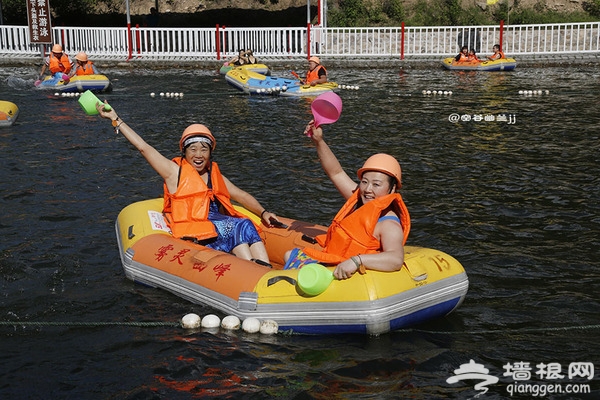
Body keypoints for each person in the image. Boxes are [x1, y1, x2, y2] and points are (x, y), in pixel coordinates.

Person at [94, 103, 280, 266]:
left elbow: (242, 195)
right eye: (193, 149)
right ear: (184, 151)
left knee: (244, 223)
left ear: (210, 153)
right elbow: (144, 147)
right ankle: (250, 267)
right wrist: (116, 119)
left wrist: (263, 213)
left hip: (219, 227)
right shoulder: (174, 172)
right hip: (198, 231)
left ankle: (262, 268)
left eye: (204, 149)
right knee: (235, 226)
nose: (198, 155)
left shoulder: (214, 175)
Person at [284, 122, 411, 280]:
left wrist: (356, 261)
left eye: (376, 184)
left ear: (392, 189)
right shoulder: (360, 199)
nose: (368, 189)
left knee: (291, 264)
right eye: (364, 182)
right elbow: (336, 173)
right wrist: (319, 141)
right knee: (289, 255)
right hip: (335, 260)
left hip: (346, 273)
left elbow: (395, 260)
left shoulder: (389, 224)